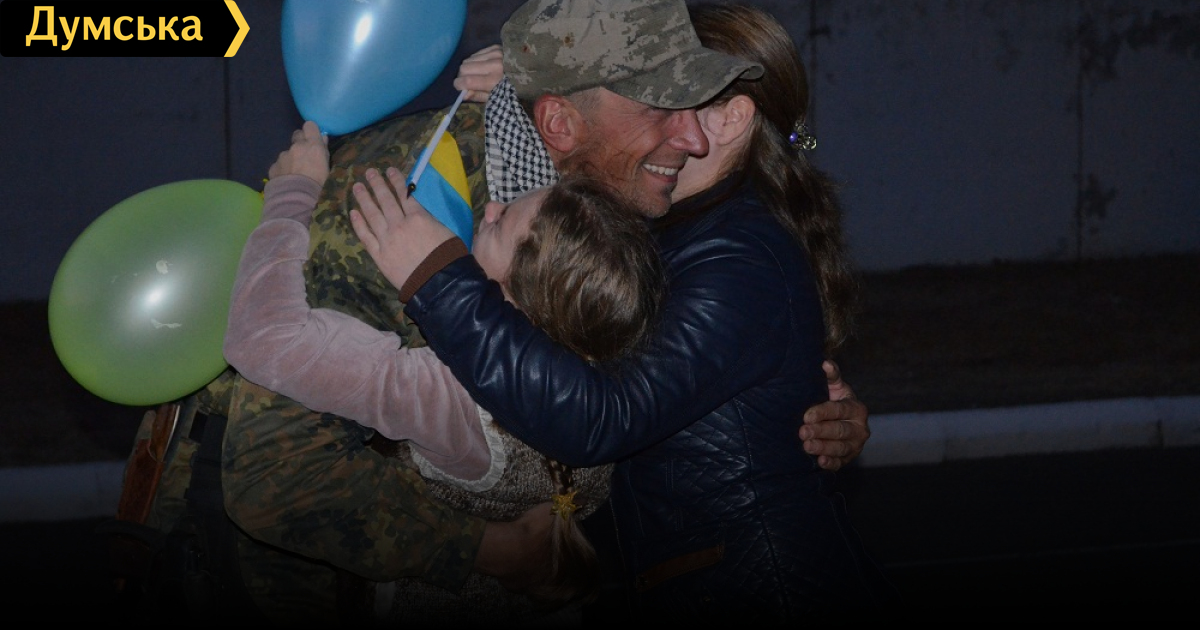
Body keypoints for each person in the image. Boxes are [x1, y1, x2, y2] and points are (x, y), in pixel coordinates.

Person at [113, 0, 869, 625]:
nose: (694, 136)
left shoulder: (585, 202)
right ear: (560, 127)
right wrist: (487, 550)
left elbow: (637, 384)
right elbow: (274, 473)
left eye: (695, 104)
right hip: (258, 557)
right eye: (661, 107)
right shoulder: (409, 202)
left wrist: (787, 402)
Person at [346, 0, 896, 623]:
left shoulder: (736, 258)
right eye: (656, 100)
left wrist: (439, 281)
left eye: (679, 97)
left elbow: (601, 415)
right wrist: (543, 80)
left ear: (731, 118)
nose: (678, 128)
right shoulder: (666, 226)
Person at [221, 119, 665, 624]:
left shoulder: (451, 398)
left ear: (513, 304)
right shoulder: (607, 376)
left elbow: (263, 338)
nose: (489, 208)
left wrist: (292, 192)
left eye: (499, 224)